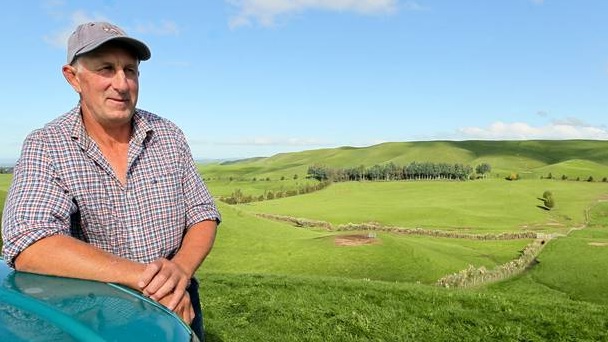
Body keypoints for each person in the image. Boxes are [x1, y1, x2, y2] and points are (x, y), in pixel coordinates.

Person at [1, 21, 220, 340]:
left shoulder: (168, 135)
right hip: (100, 312)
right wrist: (146, 278)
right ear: (73, 77)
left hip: (178, 297)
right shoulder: (47, 145)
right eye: (106, 68)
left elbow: (202, 213)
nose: (122, 83)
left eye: (130, 70)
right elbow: (30, 242)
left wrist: (181, 271)